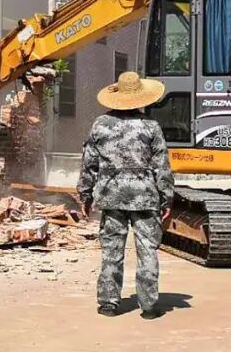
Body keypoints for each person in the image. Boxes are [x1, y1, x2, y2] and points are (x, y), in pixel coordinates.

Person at [77, 71, 175, 320]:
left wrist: (85, 195)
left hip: (111, 197)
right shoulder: (151, 126)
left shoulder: (100, 124)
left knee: (111, 251)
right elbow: (161, 166)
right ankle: (149, 306)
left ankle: (109, 303)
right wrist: (167, 198)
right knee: (147, 251)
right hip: (145, 197)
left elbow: (89, 163)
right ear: (141, 96)